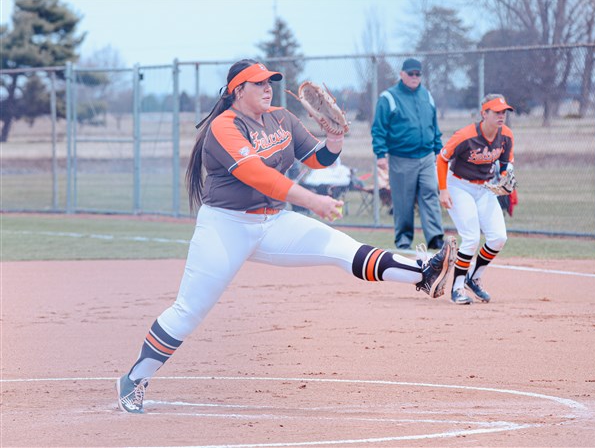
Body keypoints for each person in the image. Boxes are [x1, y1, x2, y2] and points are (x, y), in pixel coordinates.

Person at [116, 59, 457, 413]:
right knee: (189, 311)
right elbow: (258, 175)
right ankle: (134, 379)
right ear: (237, 91)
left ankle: (424, 274)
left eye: (271, 83)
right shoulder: (224, 127)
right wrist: (312, 200)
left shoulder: (281, 119)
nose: (268, 88)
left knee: (342, 248)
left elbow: (318, 159)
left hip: (274, 222)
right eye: (259, 83)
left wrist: (335, 139)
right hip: (225, 226)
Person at [437, 94, 515, 305]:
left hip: (485, 188)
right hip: (459, 186)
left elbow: (506, 162)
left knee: (499, 237)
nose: (501, 116)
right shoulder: (466, 136)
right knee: (471, 237)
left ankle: (474, 278)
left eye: (504, 112)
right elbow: (442, 159)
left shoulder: (506, 135)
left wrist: (506, 176)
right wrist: (444, 190)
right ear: (484, 114)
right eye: (497, 112)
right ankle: (457, 287)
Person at [371, 58, 445, 251]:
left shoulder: (426, 96)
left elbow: (434, 126)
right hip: (401, 157)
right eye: (410, 73)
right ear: (402, 74)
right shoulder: (389, 97)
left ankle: (435, 237)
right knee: (403, 199)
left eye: (417, 74)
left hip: (427, 156)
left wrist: (438, 150)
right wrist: (380, 154)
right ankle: (403, 239)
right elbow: (379, 129)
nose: (414, 77)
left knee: (430, 193)